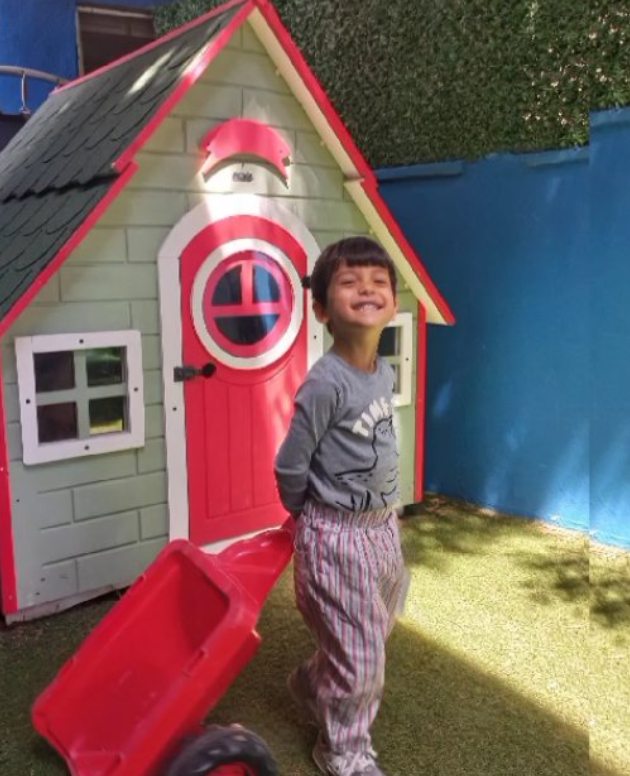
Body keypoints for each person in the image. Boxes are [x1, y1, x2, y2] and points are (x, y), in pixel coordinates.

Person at [274, 236, 406, 776]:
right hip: (337, 536)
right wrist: (304, 515)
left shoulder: (383, 372)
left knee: (376, 627)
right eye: (350, 282)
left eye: (378, 281)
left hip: (382, 528)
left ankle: (315, 682)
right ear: (323, 310)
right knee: (362, 659)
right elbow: (291, 462)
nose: (367, 289)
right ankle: (343, 751)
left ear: (393, 303)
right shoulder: (325, 383)